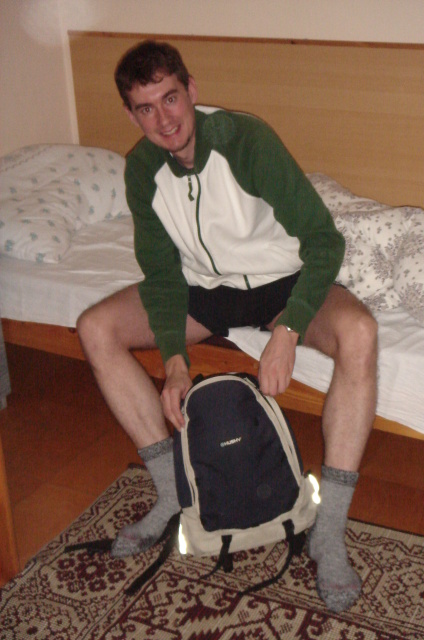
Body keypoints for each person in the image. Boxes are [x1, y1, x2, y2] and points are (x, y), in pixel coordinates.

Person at [77, 40, 378, 613]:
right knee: (95, 327)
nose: (164, 120)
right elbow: (161, 274)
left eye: (170, 98)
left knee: (360, 333)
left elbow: (323, 241)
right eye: (146, 108)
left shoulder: (245, 141)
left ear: (191, 90)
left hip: (281, 284)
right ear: (132, 115)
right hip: (206, 291)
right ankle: (173, 496)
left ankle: (329, 531)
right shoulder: (142, 169)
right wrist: (174, 361)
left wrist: (289, 330)